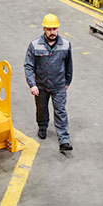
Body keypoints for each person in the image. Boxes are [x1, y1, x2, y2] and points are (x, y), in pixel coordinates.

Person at [24, 13, 73, 152]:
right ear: (44, 29)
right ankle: (42, 126)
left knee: (60, 111)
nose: (52, 32)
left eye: (54, 29)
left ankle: (64, 139)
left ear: (58, 28)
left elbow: (69, 64)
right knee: (41, 109)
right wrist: (32, 84)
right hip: (41, 86)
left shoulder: (65, 45)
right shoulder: (34, 45)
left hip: (59, 85)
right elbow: (29, 66)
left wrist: (67, 81)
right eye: (49, 29)